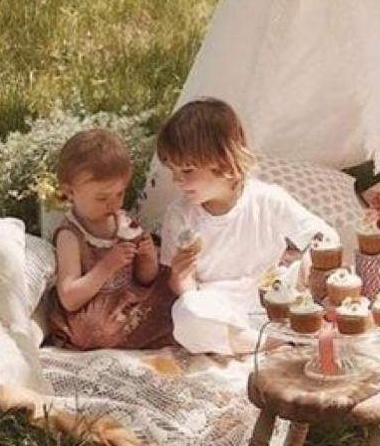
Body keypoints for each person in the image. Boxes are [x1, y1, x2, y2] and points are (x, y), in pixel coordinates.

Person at [158, 98, 335, 355]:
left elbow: (323, 235)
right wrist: (180, 277)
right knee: (186, 314)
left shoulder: (266, 199)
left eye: (186, 170)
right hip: (218, 307)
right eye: (172, 170)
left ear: (224, 161)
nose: (176, 180)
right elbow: (185, 291)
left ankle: (264, 338)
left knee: (331, 269)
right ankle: (270, 343)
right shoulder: (179, 215)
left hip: (274, 296)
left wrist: (311, 257)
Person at [47, 128, 173, 350]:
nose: (114, 205)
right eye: (102, 197)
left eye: (120, 194)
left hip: (128, 302)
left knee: (170, 294)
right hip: (96, 309)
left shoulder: (122, 221)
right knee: (92, 330)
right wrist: (107, 266)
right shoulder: (70, 236)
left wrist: (147, 257)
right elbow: (69, 298)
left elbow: (144, 279)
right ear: (70, 192)